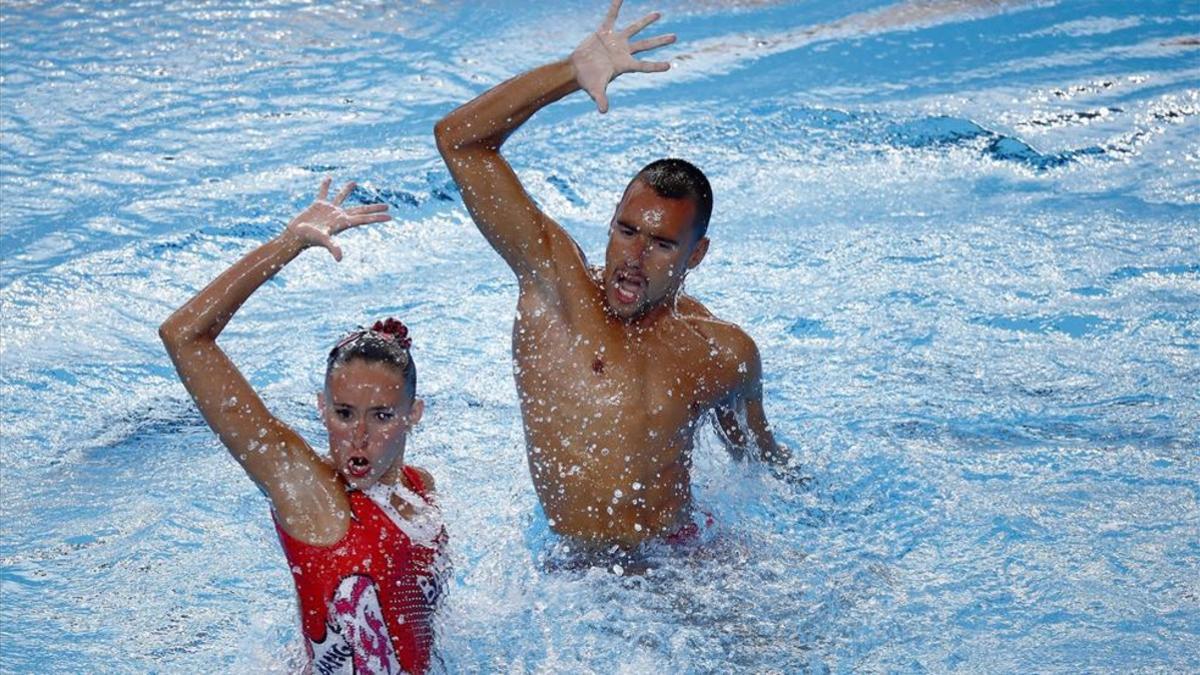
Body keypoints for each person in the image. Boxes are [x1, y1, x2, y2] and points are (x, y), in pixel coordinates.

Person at [435, 0, 794, 559]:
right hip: (584, 574)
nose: (635, 255)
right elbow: (458, 140)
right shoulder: (557, 292)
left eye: (661, 244)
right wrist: (569, 74)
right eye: (627, 231)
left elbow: (761, 461)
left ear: (695, 254)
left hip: (681, 557)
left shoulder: (722, 353)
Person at [159, 179, 447, 674]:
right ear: (322, 408)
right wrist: (289, 244)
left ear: (412, 415)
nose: (358, 438)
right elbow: (183, 336)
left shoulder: (422, 490)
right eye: (343, 414)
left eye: (380, 417)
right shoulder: (312, 497)